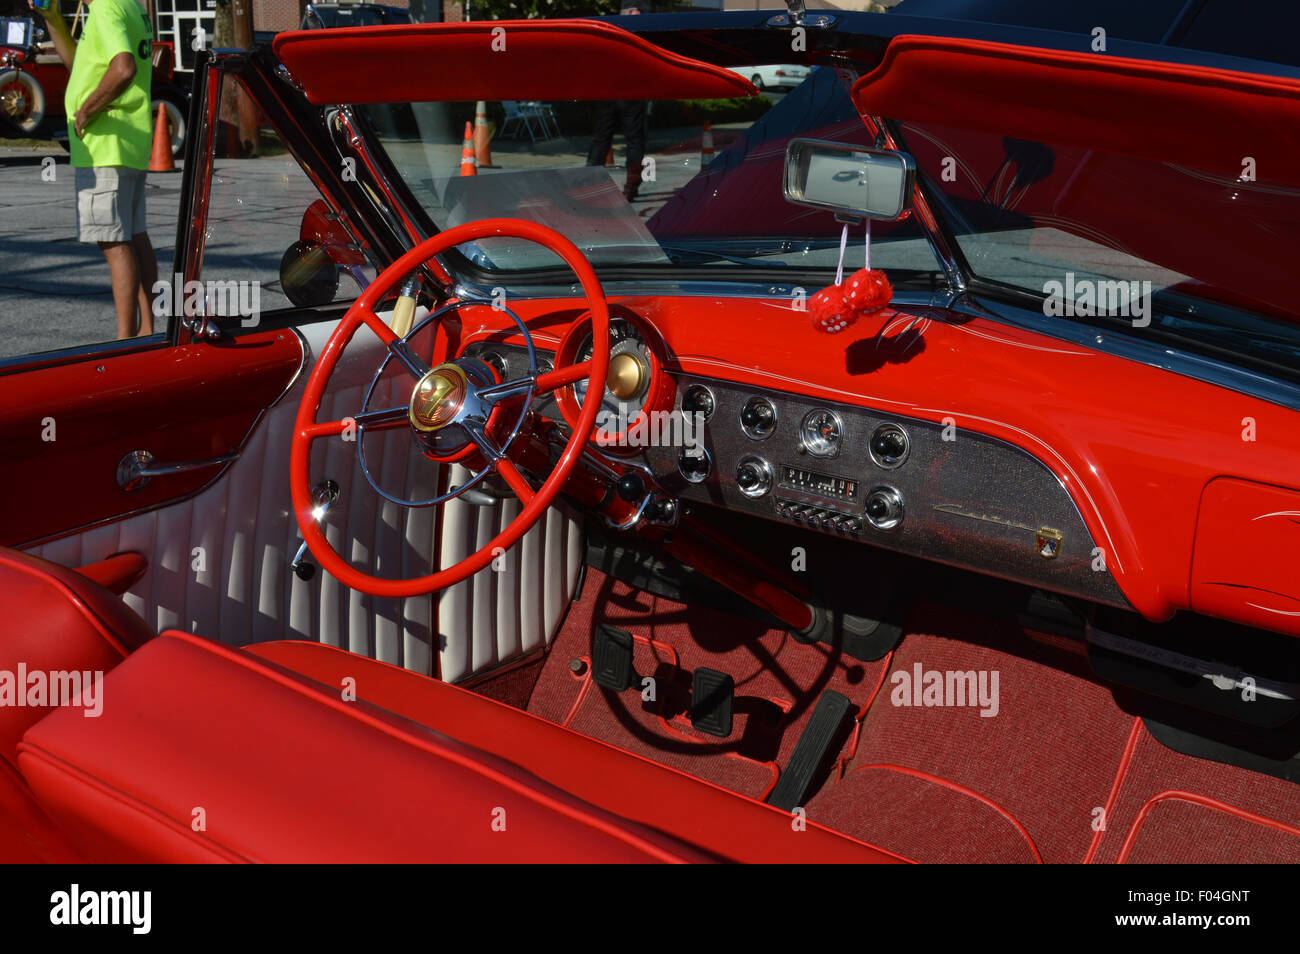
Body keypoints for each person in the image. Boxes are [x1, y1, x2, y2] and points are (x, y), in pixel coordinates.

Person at [33, 0, 156, 339]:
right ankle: (147, 331)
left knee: (112, 241)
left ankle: (124, 339)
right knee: (134, 235)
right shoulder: (127, 5)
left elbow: (123, 67)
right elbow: (82, 65)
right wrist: (54, 19)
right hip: (128, 139)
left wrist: (86, 109)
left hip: (105, 143)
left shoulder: (104, 8)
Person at [585, 2, 648, 202]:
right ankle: (630, 186)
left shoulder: (613, 25)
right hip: (629, 88)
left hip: (611, 87)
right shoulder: (639, 26)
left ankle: (590, 183)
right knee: (633, 139)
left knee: (603, 138)